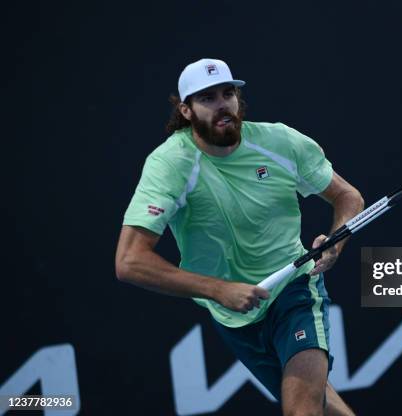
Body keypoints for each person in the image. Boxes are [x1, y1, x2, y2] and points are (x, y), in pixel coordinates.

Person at [115, 58, 363, 416]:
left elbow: (347, 196)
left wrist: (335, 244)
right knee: (319, 405)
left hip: (295, 290)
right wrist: (218, 289)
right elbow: (129, 261)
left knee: (302, 410)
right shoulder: (170, 164)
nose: (222, 105)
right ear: (185, 110)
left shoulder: (280, 141)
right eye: (207, 98)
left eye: (228, 93)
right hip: (234, 314)